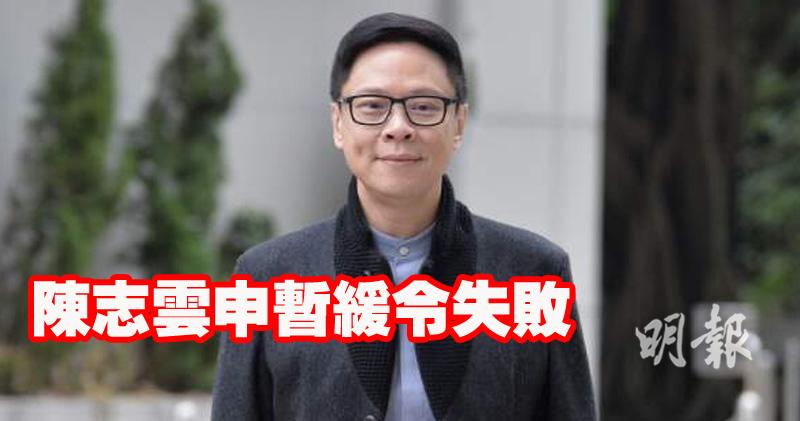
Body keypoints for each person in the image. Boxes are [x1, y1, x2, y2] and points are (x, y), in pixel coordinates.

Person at [212, 12, 595, 421]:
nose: (398, 127)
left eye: (424, 106)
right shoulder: (266, 278)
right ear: (338, 123)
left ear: (459, 123)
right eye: (372, 106)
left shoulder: (535, 272)